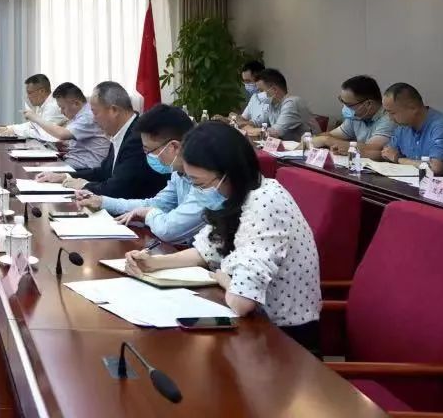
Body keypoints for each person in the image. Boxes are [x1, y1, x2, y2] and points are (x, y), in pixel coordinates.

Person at [124, 122, 321, 352]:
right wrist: (154, 263)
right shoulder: (237, 196)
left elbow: (242, 301)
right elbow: (206, 250)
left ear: (228, 173)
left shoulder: (265, 202)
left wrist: (223, 278)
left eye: (199, 184)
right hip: (252, 328)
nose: (197, 192)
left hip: (284, 340)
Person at [77, 105, 204, 243]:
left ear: (174, 147)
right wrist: (102, 202)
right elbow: (157, 203)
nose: (147, 156)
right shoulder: (178, 173)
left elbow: (169, 230)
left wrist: (148, 213)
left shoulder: (205, 179)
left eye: (149, 151)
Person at [48, 81, 163, 198]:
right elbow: (104, 172)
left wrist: (85, 185)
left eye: (95, 113)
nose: (94, 119)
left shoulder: (137, 138)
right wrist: (67, 176)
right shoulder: (122, 132)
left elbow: (118, 188)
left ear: (114, 110)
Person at [380, 83, 443, 181]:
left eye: (392, 113)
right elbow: (388, 152)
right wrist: (391, 156)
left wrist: (398, 159)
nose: (389, 118)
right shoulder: (403, 127)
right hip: (415, 185)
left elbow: (435, 168)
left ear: (413, 108)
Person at [24, 82, 111, 171]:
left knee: (38, 170)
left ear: (76, 103)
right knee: (36, 166)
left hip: (86, 168)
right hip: (76, 162)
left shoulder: (87, 116)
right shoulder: (79, 115)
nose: (61, 112)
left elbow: (62, 134)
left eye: (63, 107)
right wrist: (68, 144)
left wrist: (35, 118)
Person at [310, 76, 394, 158]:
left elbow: (372, 149)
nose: (345, 108)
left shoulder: (390, 118)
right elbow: (331, 135)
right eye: (342, 101)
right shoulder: (357, 116)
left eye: (348, 104)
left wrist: (326, 140)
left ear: (368, 104)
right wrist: (315, 138)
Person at [244, 69, 319, 141]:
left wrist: (250, 130)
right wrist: (246, 125)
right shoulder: (272, 105)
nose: (258, 94)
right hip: (290, 147)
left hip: (310, 147)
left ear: (274, 89)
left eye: (261, 91)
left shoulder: (291, 103)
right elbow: (258, 123)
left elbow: (275, 132)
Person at [0, 74, 66, 137]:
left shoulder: (53, 106)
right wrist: (8, 128)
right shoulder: (44, 104)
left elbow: (42, 132)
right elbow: (33, 125)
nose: (28, 97)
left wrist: (14, 131)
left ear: (42, 91)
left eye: (29, 93)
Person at [229, 60, 270, 128]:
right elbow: (243, 118)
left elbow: (257, 124)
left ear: (260, 78)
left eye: (248, 81)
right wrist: (225, 119)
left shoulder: (271, 98)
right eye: (244, 81)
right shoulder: (254, 97)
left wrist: (235, 119)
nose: (246, 85)